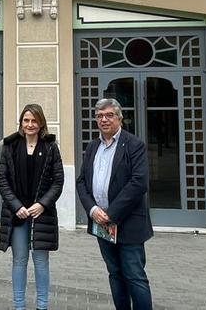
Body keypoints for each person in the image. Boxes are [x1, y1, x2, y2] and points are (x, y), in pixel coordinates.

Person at [77, 98, 153, 310]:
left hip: (128, 223)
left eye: (109, 115)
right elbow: (82, 181)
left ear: (119, 118)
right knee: (115, 274)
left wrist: (111, 214)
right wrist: (93, 210)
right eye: (100, 116)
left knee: (134, 276)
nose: (104, 120)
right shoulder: (93, 146)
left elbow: (139, 183)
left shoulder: (134, 145)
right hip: (101, 224)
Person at [0, 103, 64, 310]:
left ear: (41, 122)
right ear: (21, 122)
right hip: (17, 214)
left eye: (34, 120)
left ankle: (42, 306)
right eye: (26, 120)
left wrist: (43, 204)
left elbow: (58, 181)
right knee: (19, 261)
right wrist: (16, 206)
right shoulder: (10, 146)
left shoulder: (50, 146)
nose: (30, 124)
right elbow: (2, 178)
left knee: (41, 262)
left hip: (41, 214)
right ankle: (19, 306)